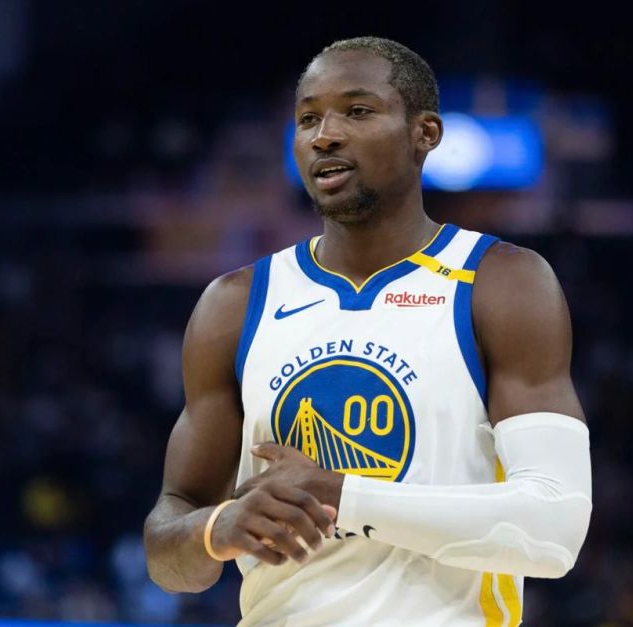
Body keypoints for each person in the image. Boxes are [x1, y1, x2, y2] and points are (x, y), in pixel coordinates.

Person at [143, 36, 592, 626]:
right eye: (308, 118)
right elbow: (167, 547)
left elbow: (554, 530)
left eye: (357, 111)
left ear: (424, 133)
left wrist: (341, 495)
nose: (325, 135)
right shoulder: (235, 303)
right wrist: (215, 529)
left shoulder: (502, 283)